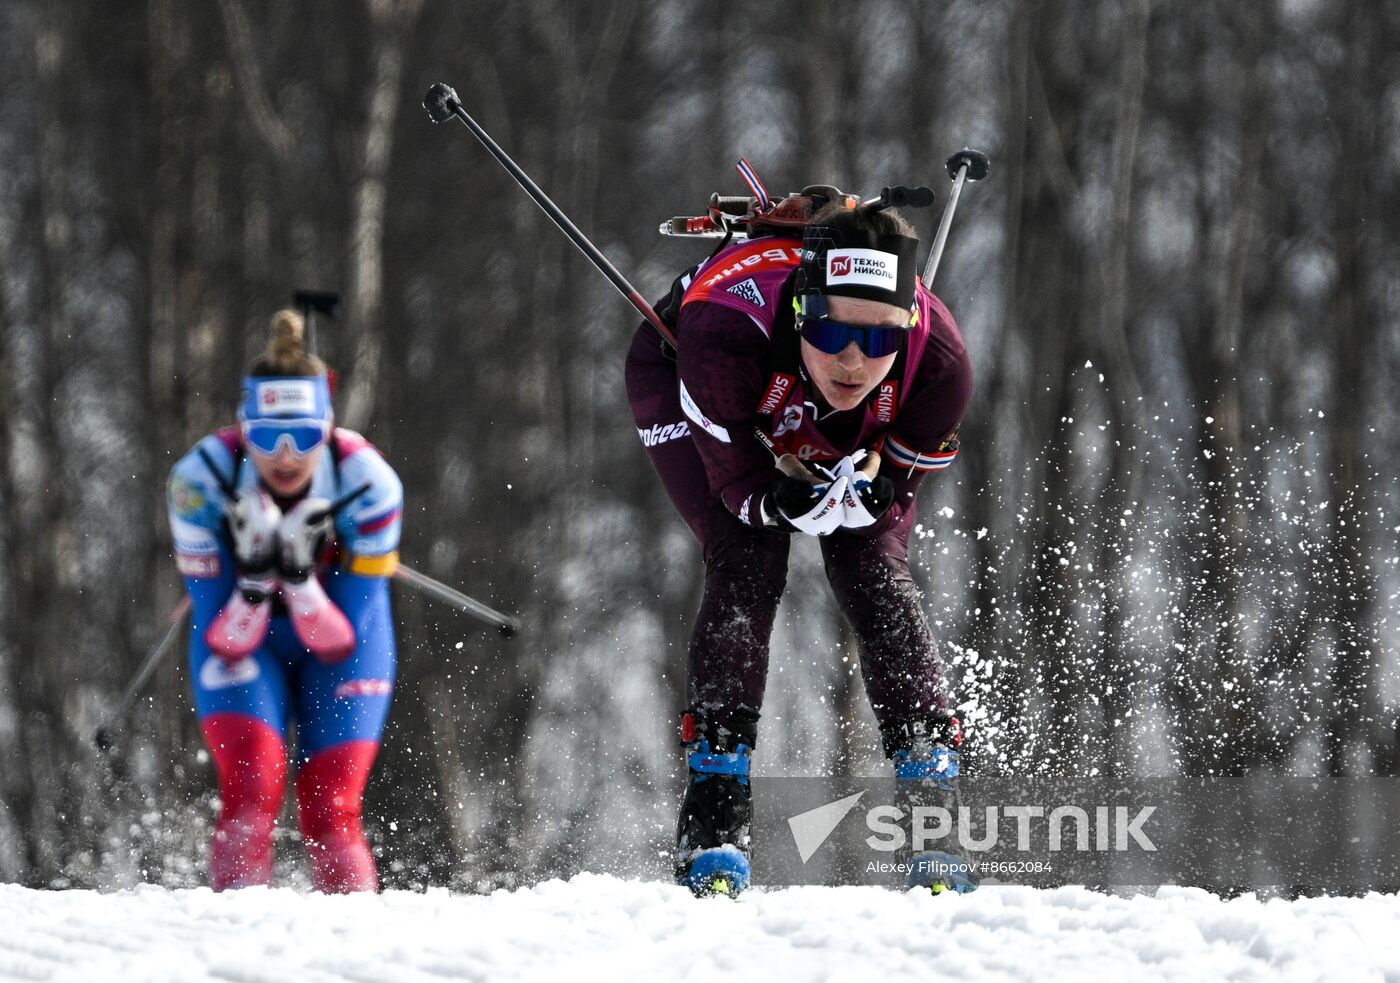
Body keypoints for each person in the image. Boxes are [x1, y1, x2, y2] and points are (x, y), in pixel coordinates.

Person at [626, 191, 975, 895]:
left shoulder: (940, 365)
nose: (853, 358)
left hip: (845, 428)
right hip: (699, 381)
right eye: (834, 332)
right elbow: (740, 492)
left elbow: (893, 481)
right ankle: (715, 820)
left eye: (880, 339)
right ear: (798, 312)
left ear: (907, 327)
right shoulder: (725, 335)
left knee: (873, 570)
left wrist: (874, 486)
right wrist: (777, 492)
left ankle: (935, 820)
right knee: (746, 556)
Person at [167, 310, 403, 892]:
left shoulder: (371, 485)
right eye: (269, 438)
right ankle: (238, 956)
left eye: (304, 435)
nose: (287, 456)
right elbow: (224, 635)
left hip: (344, 645)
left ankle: (357, 956)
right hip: (247, 642)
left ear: (328, 428)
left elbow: (342, 634)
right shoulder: (199, 483)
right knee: (250, 800)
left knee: (331, 809)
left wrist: (297, 577)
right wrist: (252, 580)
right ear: (245, 430)